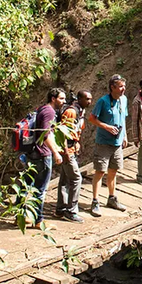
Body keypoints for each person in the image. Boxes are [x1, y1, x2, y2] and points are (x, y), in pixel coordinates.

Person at [17, 88, 65, 224]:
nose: (64, 101)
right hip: (42, 154)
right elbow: (45, 134)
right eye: (61, 98)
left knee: (25, 186)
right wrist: (55, 152)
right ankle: (38, 220)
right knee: (40, 189)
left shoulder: (42, 108)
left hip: (32, 152)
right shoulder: (49, 112)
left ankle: (20, 217)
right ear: (53, 99)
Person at [86, 74, 130, 216]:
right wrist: (106, 127)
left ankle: (112, 198)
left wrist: (124, 136)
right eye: (121, 86)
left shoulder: (124, 100)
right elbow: (92, 118)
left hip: (117, 143)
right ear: (112, 87)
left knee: (113, 171)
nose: (123, 89)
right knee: (100, 172)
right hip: (104, 143)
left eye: (124, 86)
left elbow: (123, 119)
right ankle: (95, 201)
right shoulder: (103, 101)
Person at [55, 90, 92, 222]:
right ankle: (71, 211)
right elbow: (62, 132)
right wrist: (65, 151)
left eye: (90, 99)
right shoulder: (71, 112)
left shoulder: (81, 111)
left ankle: (60, 209)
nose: (89, 102)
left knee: (65, 179)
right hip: (67, 151)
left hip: (72, 149)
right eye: (87, 99)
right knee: (76, 179)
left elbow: (76, 131)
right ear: (79, 99)